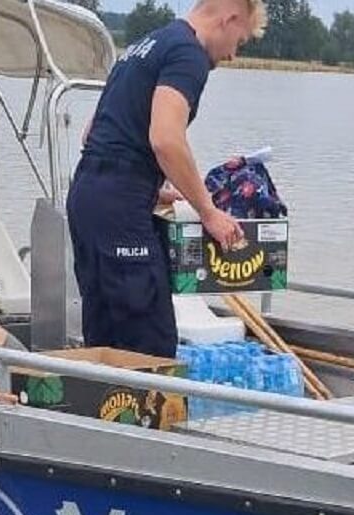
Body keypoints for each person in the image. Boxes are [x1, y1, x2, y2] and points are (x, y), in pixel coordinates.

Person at [66, 0, 266, 358]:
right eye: (242, 40)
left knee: (104, 337)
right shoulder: (189, 55)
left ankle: (97, 409)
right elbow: (166, 139)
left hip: (88, 195)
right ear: (230, 17)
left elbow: (93, 132)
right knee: (149, 344)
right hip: (120, 209)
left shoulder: (148, 44)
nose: (234, 55)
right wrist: (208, 211)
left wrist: (149, 188)